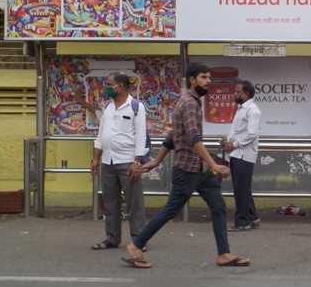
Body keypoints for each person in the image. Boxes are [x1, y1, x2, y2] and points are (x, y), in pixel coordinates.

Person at [122, 62, 250, 268]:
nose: (208, 81)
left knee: (218, 207)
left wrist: (156, 161)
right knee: (170, 210)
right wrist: (215, 165)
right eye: (203, 77)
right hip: (187, 170)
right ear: (192, 80)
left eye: (209, 77)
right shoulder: (189, 103)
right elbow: (193, 139)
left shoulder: (192, 102)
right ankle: (136, 246)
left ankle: (224, 254)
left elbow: (173, 136)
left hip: (200, 169)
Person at [90, 72, 149, 250]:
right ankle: (112, 238)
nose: (106, 87)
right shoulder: (108, 106)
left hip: (128, 161)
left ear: (120, 86)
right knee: (110, 202)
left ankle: (139, 240)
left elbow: (141, 136)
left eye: (109, 84)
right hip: (108, 161)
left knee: (134, 204)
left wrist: (137, 161)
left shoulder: (136, 107)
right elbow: (102, 134)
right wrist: (96, 158)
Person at [220, 80, 262, 232]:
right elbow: (239, 131)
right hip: (237, 153)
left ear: (246, 94)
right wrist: (227, 140)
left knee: (240, 190)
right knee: (243, 188)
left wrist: (234, 144)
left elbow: (252, 133)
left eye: (237, 92)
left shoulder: (253, 110)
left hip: (244, 154)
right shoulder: (242, 109)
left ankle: (242, 222)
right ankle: (253, 217)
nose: (234, 94)